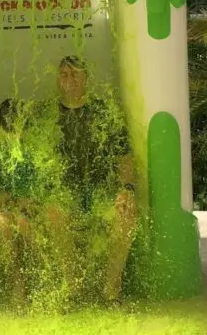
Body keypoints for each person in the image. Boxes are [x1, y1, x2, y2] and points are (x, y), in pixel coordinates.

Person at [47, 55, 137, 304]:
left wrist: (126, 189)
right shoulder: (48, 115)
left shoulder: (104, 111)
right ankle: (74, 286)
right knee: (54, 210)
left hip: (100, 191)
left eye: (75, 73)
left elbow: (125, 157)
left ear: (86, 77)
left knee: (126, 212)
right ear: (58, 80)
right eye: (64, 74)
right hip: (67, 193)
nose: (70, 79)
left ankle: (111, 287)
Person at [0, 98, 40, 308]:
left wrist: (26, 199)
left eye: (18, 130)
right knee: (5, 223)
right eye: (9, 132)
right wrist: (7, 198)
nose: (14, 136)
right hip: (5, 207)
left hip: (27, 207)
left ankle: (39, 277)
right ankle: (18, 280)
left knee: (24, 223)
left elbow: (36, 183)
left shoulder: (32, 144)